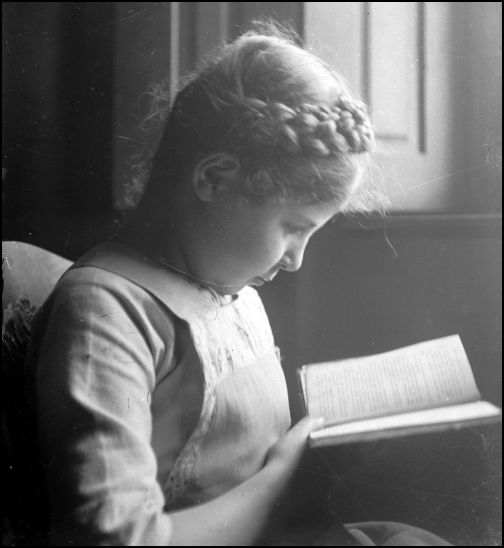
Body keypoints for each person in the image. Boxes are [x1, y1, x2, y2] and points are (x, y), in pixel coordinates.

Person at [24, 23, 452, 546]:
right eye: (293, 227)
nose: (296, 259)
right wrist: (282, 481)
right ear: (214, 178)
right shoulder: (107, 309)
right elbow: (115, 537)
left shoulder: (236, 293)